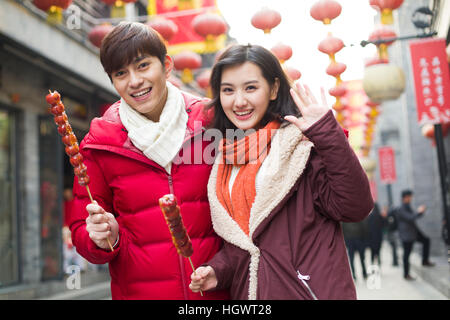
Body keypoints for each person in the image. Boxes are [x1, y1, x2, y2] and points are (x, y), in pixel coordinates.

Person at [189, 44, 374, 299]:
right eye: (228, 90)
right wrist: (218, 270)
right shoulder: (224, 161)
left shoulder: (302, 145)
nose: (239, 101)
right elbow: (246, 246)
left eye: (251, 88)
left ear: (274, 88)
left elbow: (355, 206)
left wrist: (327, 133)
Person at [68, 21, 229, 300]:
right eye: (121, 73)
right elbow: (82, 231)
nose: (134, 81)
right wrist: (102, 236)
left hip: (218, 294)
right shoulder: (99, 145)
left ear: (166, 65)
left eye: (143, 66)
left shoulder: (214, 123)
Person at [397, 189, 435, 280]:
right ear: (405, 197)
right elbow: (410, 217)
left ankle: (425, 261)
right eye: (410, 197)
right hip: (407, 235)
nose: (411, 198)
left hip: (412, 233)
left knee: (426, 240)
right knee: (407, 254)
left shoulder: (406, 206)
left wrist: (419, 213)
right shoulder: (401, 208)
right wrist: (419, 212)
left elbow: (413, 216)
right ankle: (406, 274)